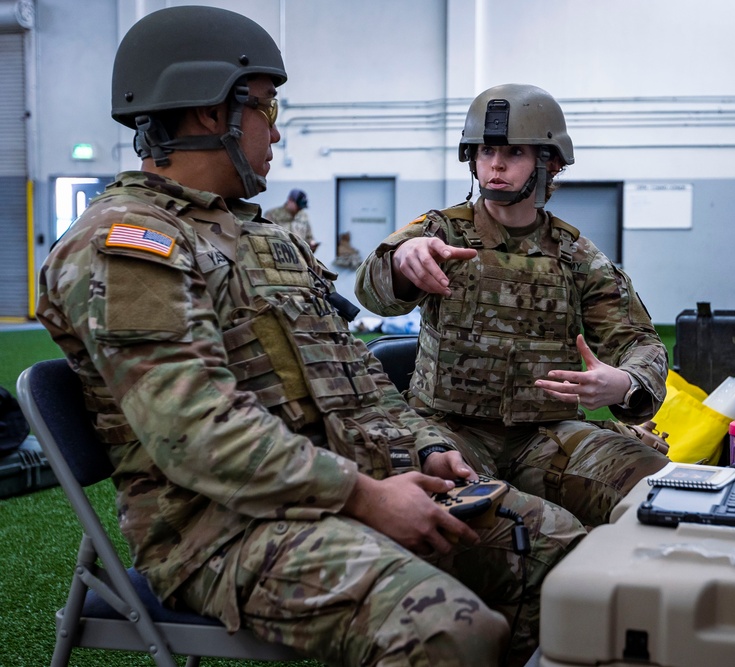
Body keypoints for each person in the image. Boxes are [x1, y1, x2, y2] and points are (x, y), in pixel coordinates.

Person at [35, 10, 585, 666]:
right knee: (450, 630)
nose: (276, 127)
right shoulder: (126, 246)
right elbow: (199, 432)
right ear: (213, 113)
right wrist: (365, 495)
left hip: (346, 487)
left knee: (567, 561)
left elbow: (355, 377)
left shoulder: (264, 238)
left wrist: (428, 447)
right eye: (268, 105)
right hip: (225, 531)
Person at [355, 83, 669, 528]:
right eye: (485, 151)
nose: (496, 164)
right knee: (414, 492)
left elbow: (640, 342)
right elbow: (371, 289)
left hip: (547, 437)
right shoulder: (439, 233)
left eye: (514, 152)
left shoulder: (576, 256)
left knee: (652, 486)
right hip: (449, 431)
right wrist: (402, 262)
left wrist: (625, 382)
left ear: (550, 162)